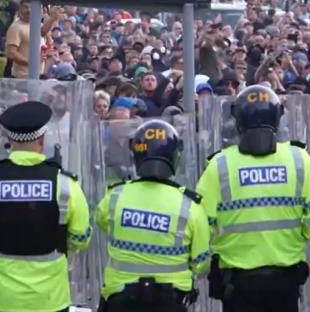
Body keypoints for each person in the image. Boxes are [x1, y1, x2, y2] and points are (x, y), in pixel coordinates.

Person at [197, 85, 310, 312]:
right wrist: (294, 238)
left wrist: (219, 249)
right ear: (278, 118)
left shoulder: (219, 165)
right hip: (285, 280)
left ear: (238, 122)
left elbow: (200, 225)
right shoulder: (299, 159)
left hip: (237, 283)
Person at [95, 120, 211, 312]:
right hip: (170, 303)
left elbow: (102, 222)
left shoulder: (115, 196)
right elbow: (201, 263)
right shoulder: (189, 206)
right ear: (175, 156)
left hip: (120, 301)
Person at [0, 101, 91, 312]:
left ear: (10, 141)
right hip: (50, 299)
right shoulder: (65, 185)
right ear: (41, 139)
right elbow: (81, 238)